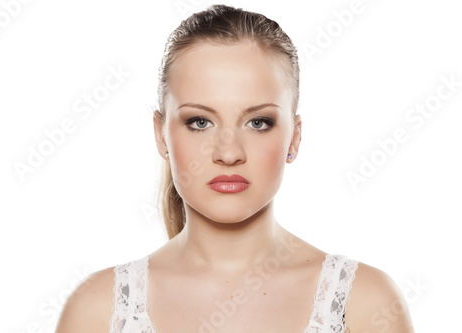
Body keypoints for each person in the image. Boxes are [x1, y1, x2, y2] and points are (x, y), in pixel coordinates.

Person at [56, 4, 415, 333]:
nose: (228, 153)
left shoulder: (365, 305)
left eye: (258, 123)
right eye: (199, 122)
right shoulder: (97, 312)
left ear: (295, 137)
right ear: (161, 135)